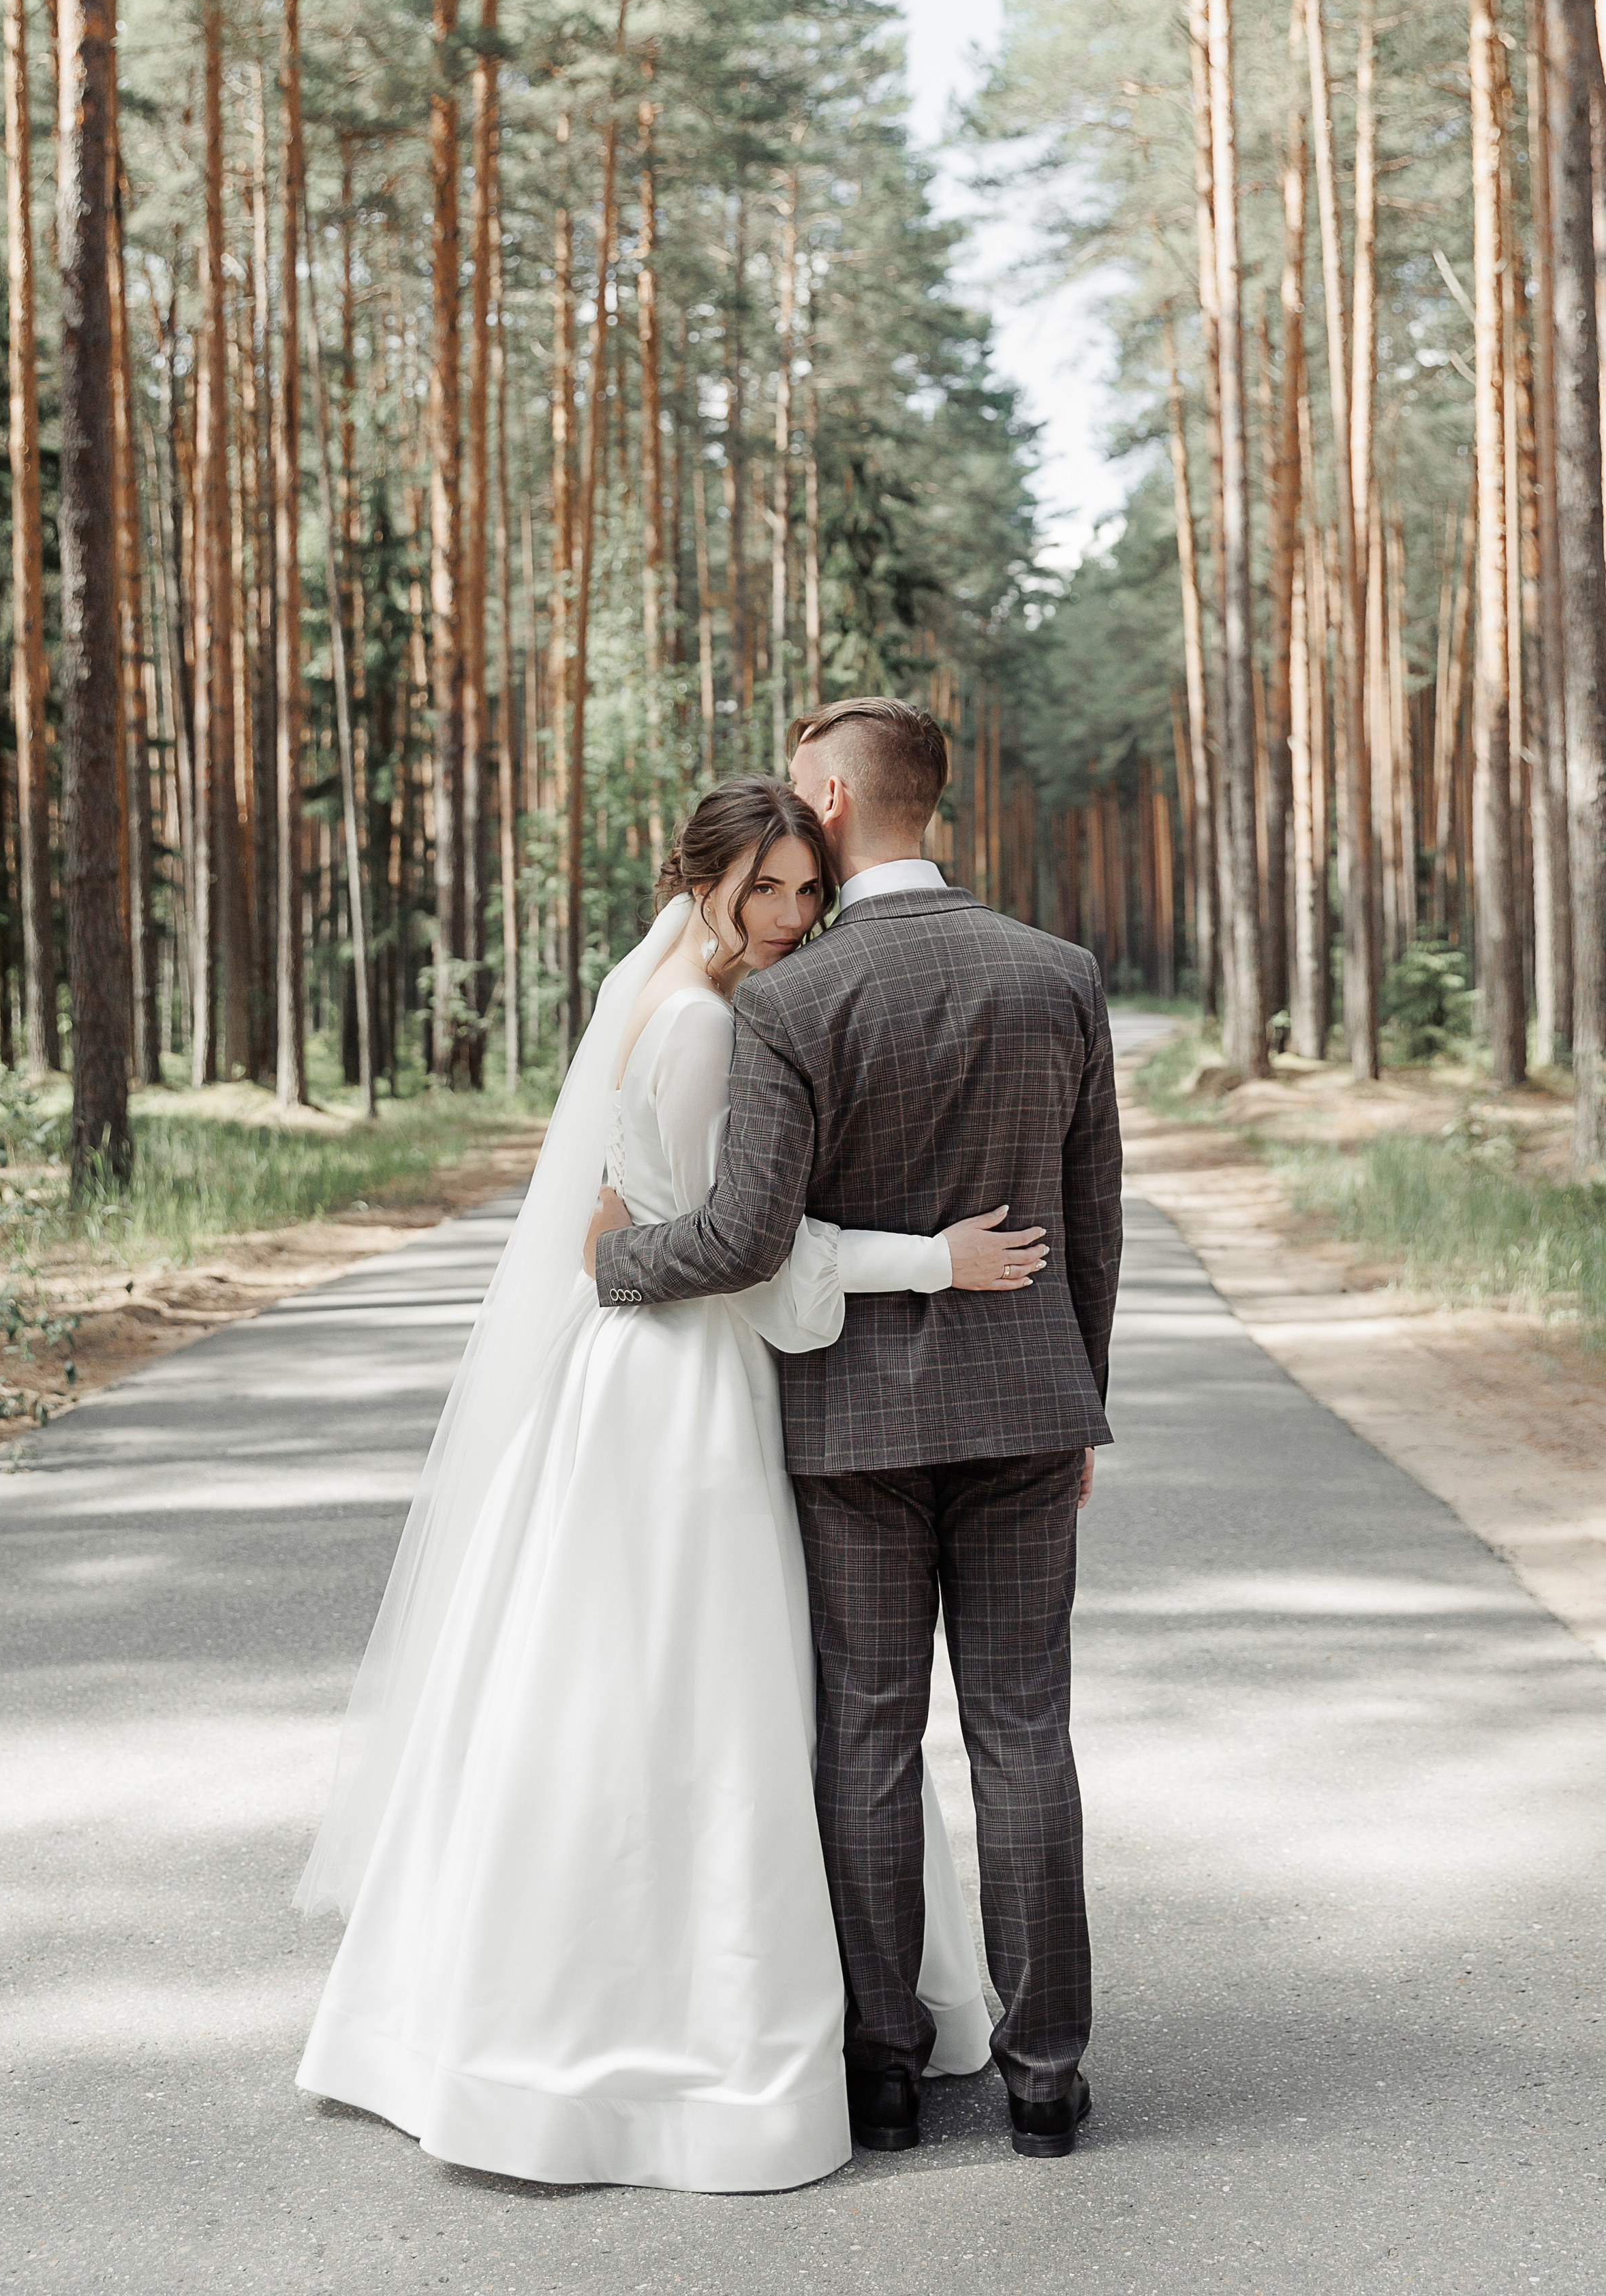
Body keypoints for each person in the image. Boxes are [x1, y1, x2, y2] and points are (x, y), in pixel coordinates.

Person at [295, 775, 1047, 2194]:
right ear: (699, 878)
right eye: (760, 887)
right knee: (701, 1699)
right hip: (683, 1385)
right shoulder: (707, 1019)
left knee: (618, 1689)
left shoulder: (655, 990)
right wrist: (925, 1260)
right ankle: (662, 2039)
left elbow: (648, 1214)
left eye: (806, 889)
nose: (787, 916)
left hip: (632, 1366)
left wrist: (630, 1235)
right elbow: (745, 1248)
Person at [591, 699, 1123, 2161]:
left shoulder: (790, 1000)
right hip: (1025, 1411)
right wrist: (1081, 1396)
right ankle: (1044, 2076)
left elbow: (749, 1232)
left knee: (868, 1739)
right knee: (1024, 1739)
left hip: (852, 1431)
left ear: (824, 792)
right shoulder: (1058, 973)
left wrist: (613, 1262)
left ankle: (880, 2066)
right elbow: (1092, 1223)